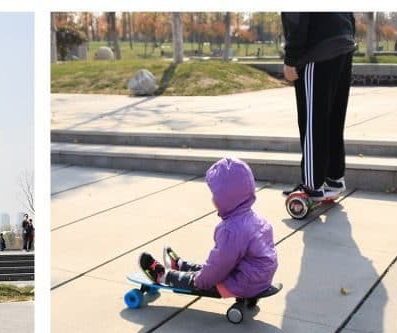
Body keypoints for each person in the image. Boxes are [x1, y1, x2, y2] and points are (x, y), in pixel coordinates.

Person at [139, 158, 277, 299]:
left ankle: (164, 276)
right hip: (258, 278)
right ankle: (181, 265)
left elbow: (218, 266)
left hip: (242, 284)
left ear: (226, 198)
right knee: (211, 270)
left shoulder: (232, 230)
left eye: (215, 195)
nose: (213, 199)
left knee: (201, 279)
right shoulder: (257, 219)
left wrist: (200, 281)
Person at [280, 12, 356, 200]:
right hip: (342, 42)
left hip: (317, 50)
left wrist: (291, 59)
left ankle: (312, 185)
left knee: (313, 121)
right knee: (333, 120)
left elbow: (296, 15)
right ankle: (334, 178)